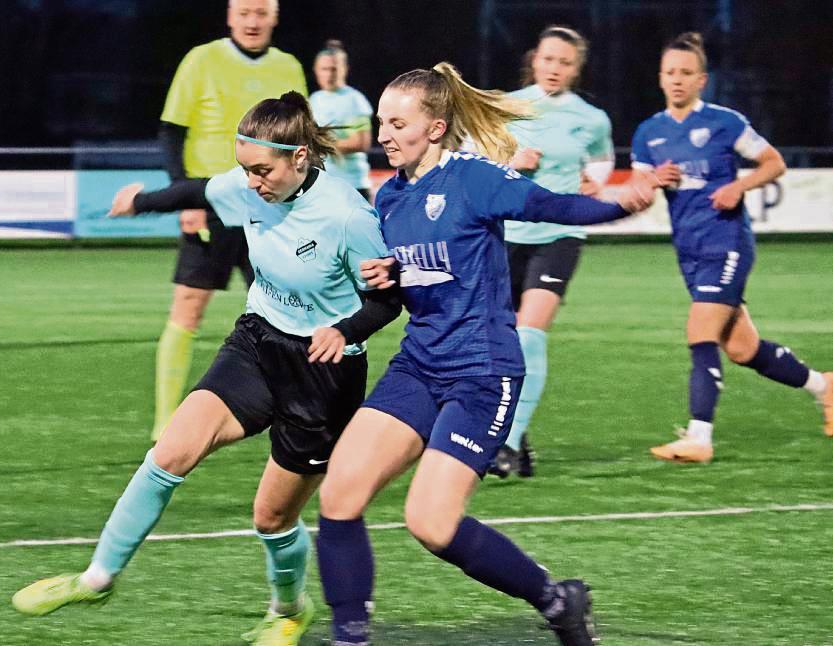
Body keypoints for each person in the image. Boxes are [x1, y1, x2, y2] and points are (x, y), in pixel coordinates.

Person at [12, 93, 402, 646]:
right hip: (258, 343)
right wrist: (141, 201)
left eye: (262, 170)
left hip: (324, 375)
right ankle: (97, 578)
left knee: (270, 518)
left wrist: (345, 331)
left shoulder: (347, 215)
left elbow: (387, 301)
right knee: (170, 451)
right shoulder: (247, 187)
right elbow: (198, 188)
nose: (252, 183)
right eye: (245, 169)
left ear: (298, 158)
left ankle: (288, 608)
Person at [314, 63, 654, 646]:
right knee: (339, 495)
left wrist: (618, 205)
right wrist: (386, 278)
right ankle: (350, 637)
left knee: (431, 522)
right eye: (380, 122)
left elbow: (552, 206)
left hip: (482, 372)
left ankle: (557, 600)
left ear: (437, 127)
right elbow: (406, 284)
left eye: (398, 122)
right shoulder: (389, 196)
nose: (385, 134)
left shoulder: (473, 179)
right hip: (419, 365)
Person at [630, 32, 833, 464]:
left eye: (686, 73)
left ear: (702, 80)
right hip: (689, 250)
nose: (677, 80)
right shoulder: (649, 133)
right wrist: (652, 181)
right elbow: (637, 192)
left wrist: (739, 186)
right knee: (742, 349)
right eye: (670, 73)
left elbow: (773, 162)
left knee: (699, 331)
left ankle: (699, 437)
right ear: (660, 78)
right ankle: (825, 386)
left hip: (727, 242)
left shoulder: (725, 123)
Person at [151, 0, 307, 441]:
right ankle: (165, 421)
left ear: (275, 16)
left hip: (270, 207)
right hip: (212, 203)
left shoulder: (289, 67)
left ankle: (296, 410)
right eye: (245, 13)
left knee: (290, 313)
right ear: (229, 15)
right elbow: (171, 131)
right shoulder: (200, 60)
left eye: (261, 13)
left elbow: (299, 138)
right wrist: (186, 198)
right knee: (188, 307)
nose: (253, 21)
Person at [489, 25, 615, 479]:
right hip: (507, 235)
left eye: (565, 62)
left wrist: (595, 182)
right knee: (500, 342)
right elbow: (481, 160)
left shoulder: (591, 118)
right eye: (548, 59)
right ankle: (518, 441)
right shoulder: (509, 106)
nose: (555, 68)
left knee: (529, 335)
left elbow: (600, 161)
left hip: (560, 235)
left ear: (575, 69)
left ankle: (503, 444)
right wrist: (511, 163)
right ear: (534, 59)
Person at [309, 40, 374, 201]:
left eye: (334, 69)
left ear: (344, 69)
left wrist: (320, 144)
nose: (329, 74)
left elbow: (362, 142)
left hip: (352, 186)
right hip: (321, 185)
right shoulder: (314, 100)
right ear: (316, 70)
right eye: (324, 69)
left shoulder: (354, 100)